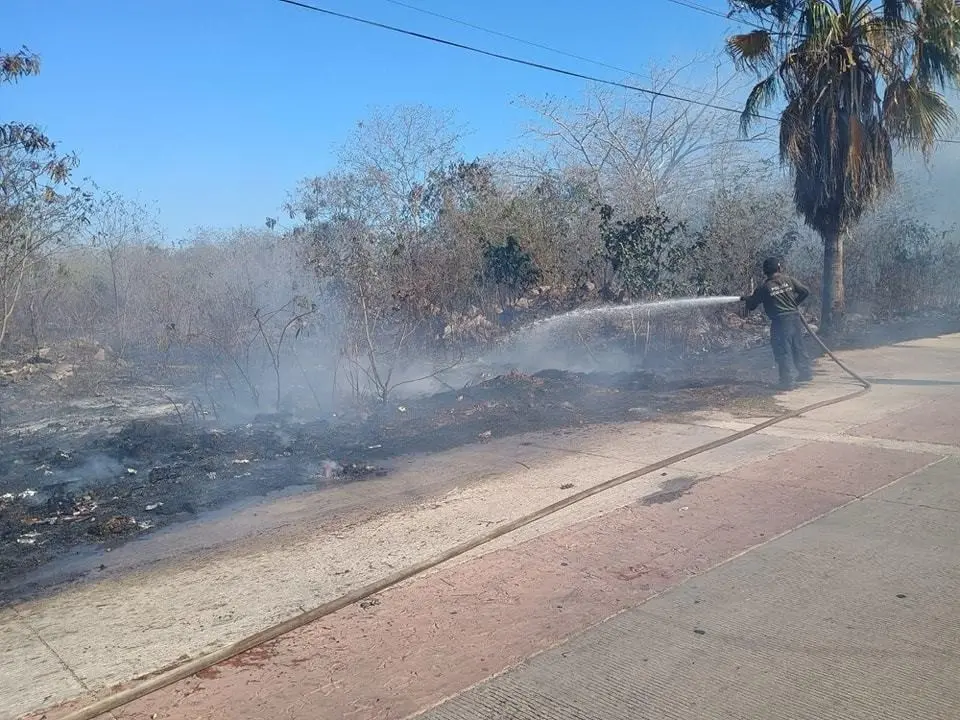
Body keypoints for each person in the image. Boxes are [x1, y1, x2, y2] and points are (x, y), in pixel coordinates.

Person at [740, 257, 813, 389]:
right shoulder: (788, 280)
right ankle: (805, 374)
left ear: (765, 272)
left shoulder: (764, 288)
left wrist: (748, 299)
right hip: (795, 319)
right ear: (779, 268)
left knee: (783, 350)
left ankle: (787, 381)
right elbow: (805, 292)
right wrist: (794, 304)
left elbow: (752, 306)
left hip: (780, 322)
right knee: (798, 346)